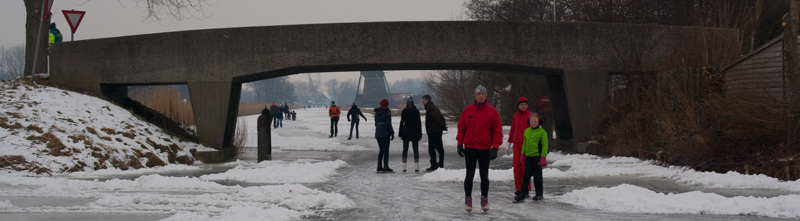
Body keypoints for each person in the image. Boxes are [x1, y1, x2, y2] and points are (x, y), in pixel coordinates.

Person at [456, 85, 502, 212]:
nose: (480, 96)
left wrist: (495, 148)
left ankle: (484, 199)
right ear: (475, 96)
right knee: (469, 174)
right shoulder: (467, 110)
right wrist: (460, 144)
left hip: (484, 149)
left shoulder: (492, 112)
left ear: (486, 96)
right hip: (470, 148)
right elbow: (461, 128)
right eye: (478, 94)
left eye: (483, 94)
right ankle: (468, 199)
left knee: (484, 175)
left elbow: (497, 131)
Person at [514, 113, 549, 202]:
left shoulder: (542, 132)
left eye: (535, 121)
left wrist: (543, 157)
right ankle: (523, 192)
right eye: (531, 121)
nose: (533, 123)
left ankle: (539, 194)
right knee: (526, 176)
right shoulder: (527, 131)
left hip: (537, 157)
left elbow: (545, 145)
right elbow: (525, 143)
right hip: (528, 157)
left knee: (537, 176)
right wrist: (523, 154)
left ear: (539, 122)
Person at [506, 96, 533, 198]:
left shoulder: (531, 116)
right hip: (516, 145)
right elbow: (512, 129)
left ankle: (526, 188)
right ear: (518, 106)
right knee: (516, 167)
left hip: (526, 145)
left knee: (525, 167)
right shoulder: (515, 116)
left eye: (525, 104)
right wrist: (509, 143)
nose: (523, 106)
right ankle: (518, 188)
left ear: (527, 105)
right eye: (521, 104)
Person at [422, 94, 447, 172]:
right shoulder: (434, 107)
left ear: (427, 100)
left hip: (433, 131)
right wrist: (442, 125)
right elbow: (441, 116)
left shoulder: (429, 108)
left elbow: (435, 117)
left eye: (423, 100)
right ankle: (440, 164)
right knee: (439, 148)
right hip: (438, 131)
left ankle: (434, 165)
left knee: (431, 149)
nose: (422, 102)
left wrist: (441, 125)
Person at [398, 97, 422, 173]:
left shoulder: (404, 111)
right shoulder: (416, 111)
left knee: (405, 149)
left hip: (406, 131)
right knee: (415, 149)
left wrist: (400, 133)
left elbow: (402, 122)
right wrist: (420, 133)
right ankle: (416, 166)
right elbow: (419, 123)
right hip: (415, 131)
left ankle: (404, 166)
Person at [374, 99, 395, 173]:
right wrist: (392, 133)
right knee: (386, 150)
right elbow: (389, 123)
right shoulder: (387, 112)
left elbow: (375, 123)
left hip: (378, 133)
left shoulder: (377, 112)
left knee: (381, 150)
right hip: (385, 133)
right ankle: (386, 166)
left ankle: (379, 166)